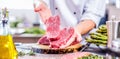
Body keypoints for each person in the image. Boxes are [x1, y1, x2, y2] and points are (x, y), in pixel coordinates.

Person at [34, 0, 106, 48]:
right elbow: (40, 1)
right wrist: (40, 2)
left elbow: (92, 16)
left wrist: (76, 31)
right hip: (51, 40)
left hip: (80, 42)